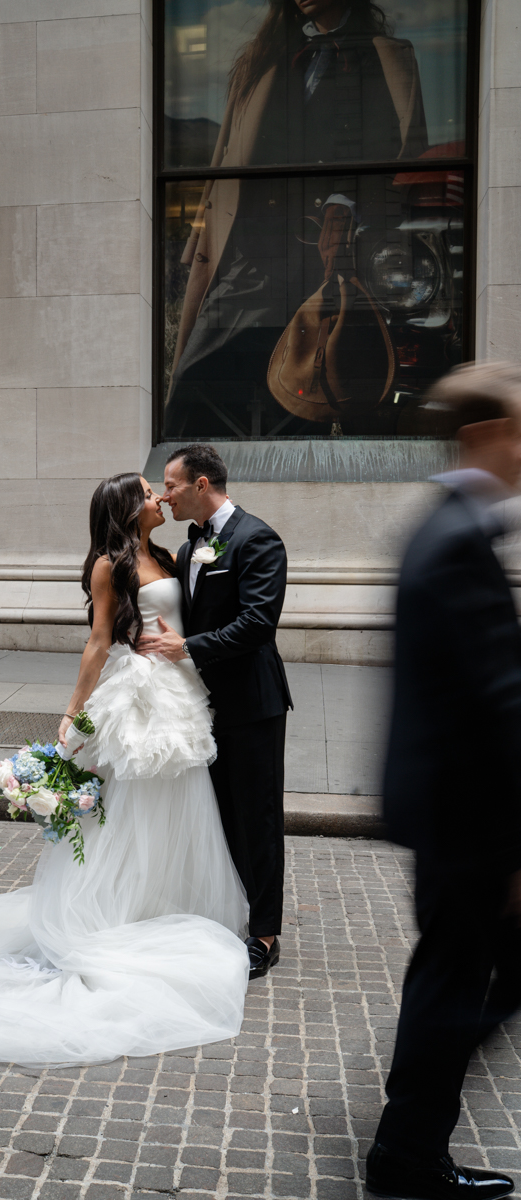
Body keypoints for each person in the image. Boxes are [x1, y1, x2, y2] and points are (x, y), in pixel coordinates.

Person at [0, 473, 250, 1066]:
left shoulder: (173, 555)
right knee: (134, 808)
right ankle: (120, 913)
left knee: (182, 799)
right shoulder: (109, 566)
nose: (159, 499)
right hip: (136, 697)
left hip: (177, 690)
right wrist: (72, 714)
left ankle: (168, 905)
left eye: (158, 491)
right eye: (149, 494)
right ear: (128, 509)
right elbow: (98, 642)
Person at [365, 362, 521, 1200]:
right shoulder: (458, 539)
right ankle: (406, 1155)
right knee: (457, 986)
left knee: (454, 978)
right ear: (484, 436)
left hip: (453, 811)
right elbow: (498, 706)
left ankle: (408, 1139)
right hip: (470, 819)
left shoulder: (448, 526)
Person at [166, 0, 429, 439]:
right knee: (195, 375)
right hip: (252, 250)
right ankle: (181, 464)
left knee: (304, 390)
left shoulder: (383, 56)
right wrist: (202, 240)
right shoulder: (264, 59)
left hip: (329, 258)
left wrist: (345, 202)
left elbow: (395, 152)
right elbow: (227, 153)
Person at [139, 445, 292, 979]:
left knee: (258, 817)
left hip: (252, 704)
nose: (164, 496)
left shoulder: (258, 538)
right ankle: (232, 912)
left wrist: (188, 647)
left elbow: (258, 623)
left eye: (171, 485)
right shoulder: (188, 546)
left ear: (201, 484)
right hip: (201, 705)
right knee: (223, 815)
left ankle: (265, 935)